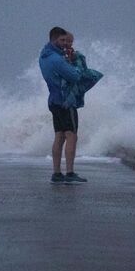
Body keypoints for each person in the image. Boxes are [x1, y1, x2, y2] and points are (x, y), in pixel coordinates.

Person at [39, 27, 88, 184]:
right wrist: (78, 61)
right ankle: (70, 173)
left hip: (53, 101)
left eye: (67, 41)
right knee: (71, 135)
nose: (65, 43)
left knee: (59, 136)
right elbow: (75, 76)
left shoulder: (44, 56)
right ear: (54, 40)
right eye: (62, 40)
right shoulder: (56, 59)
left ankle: (57, 173)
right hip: (66, 101)